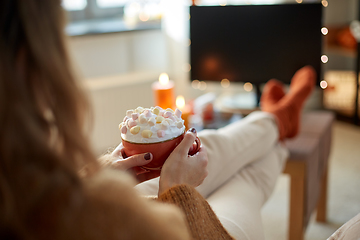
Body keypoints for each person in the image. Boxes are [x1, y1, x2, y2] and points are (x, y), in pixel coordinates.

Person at [0, 0, 315, 239]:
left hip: (104, 196)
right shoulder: (76, 214)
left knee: (225, 155)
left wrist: (94, 175)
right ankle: (278, 121)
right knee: (243, 174)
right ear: (31, 59)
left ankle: (278, 123)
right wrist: (176, 190)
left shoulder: (25, 188)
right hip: (177, 223)